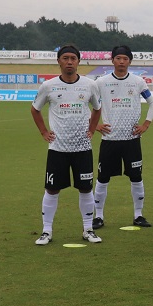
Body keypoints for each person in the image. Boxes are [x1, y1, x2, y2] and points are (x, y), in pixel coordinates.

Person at [31, 45, 102, 245]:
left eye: (73, 58)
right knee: (52, 189)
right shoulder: (48, 86)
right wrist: (44, 132)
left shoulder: (90, 85)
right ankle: (46, 231)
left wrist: (92, 129)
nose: (69, 62)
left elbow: (97, 108)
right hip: (58, 149)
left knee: (86, 189)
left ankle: (88, 229)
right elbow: (35, 109)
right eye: (65, 58)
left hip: (82, 148)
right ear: (59, 61)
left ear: (78, 61)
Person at [92, 45, 153, 230]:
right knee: (103, 178)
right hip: (109, 140)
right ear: (112, 60)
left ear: (130, 61)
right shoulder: (101, 82)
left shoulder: (138, 82)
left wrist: (146, 124)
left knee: (136, 177)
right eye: (118, 58)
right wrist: (95, 125)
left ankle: (138, 215)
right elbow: (85, 103)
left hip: (132, 140)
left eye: (125, 59)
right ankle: (98, 216)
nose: (121, 62)